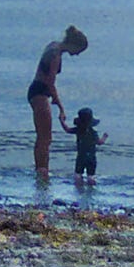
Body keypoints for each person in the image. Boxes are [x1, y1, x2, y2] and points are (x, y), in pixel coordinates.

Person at [27, 25, 87, 181]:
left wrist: (54, 100)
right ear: (73, 45)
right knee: (45, 137)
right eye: (78, 51)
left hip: (36, 90)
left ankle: (40, 169)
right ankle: (42, 171)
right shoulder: (55, 56)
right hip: (40, 92)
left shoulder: (53, 46)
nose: (77, 54)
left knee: (42, 136)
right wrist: (60, 107)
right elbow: (50, 83)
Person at [67, 105, 104, 184]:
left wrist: (62, 121)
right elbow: (99, 142)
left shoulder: (78, 130)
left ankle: (79, 187)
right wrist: (104, 137)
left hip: (81, 157)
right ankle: (91, 187)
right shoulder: (93, 133)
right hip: (91, 157)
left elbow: (67, 129)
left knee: (78, 175)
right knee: (91, 176)